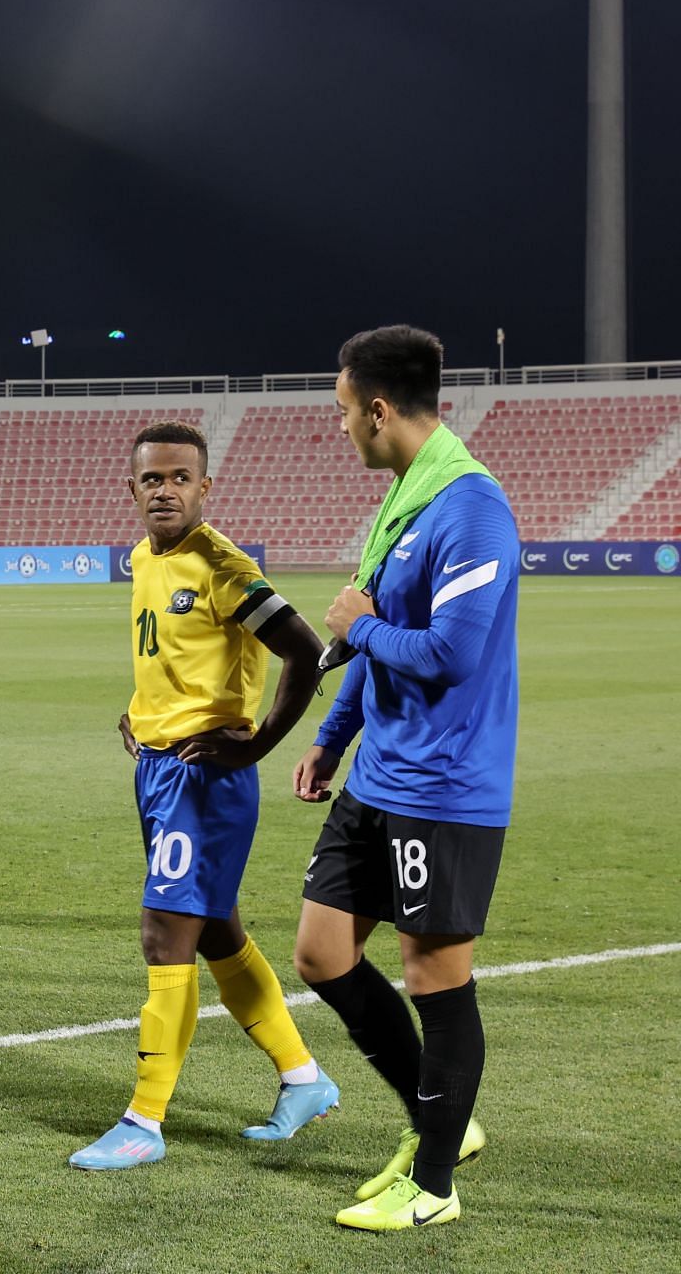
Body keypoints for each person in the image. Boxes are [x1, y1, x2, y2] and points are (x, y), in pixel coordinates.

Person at [291, 325, 518, 1231]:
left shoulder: (470, 509)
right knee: (321, 952)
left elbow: (450, 655)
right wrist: (333, 734)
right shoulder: (405, 503)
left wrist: (359, 619)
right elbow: (372, 644)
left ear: (380, 410)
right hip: (379, 779)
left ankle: (433, 1185)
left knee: (434, 976)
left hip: (444, 790)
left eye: (344, 410)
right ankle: (439, 1123)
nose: (341, 426)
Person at [70, 422, 336, 1169]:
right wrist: (141, 709)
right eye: (152, 479)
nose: (165, 489)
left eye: (180, 478)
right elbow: (170, 655)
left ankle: (143, 1121)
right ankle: (304, 1078)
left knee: (165, 934)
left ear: (204, 488)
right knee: (216, 929)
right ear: (132, 489)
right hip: (158, 768)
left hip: (203, 780)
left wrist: (253, 745)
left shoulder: (223, 567)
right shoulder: (144, 560)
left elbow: (308, 654)